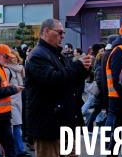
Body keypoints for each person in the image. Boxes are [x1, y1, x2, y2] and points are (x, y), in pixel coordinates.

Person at [25, 18, 90, 156]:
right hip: (48, 126)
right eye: (59, 32)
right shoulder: (37, 55)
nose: (63, 36)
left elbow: (69, 80)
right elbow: (53, 79)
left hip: (65, 122)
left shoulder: (56, 54)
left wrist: (83, 70)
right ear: (47, 32)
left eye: (63, 33)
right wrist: (77, 66)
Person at [6, 50, 30, 157]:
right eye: (12, 57)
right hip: (11, 102)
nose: (15, 58)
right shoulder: (7, 70)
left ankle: (17, 150)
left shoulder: (19, 69)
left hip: (19, 101)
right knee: (16, 126)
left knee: (17, 126)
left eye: (16, 57)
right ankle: (20, 150)